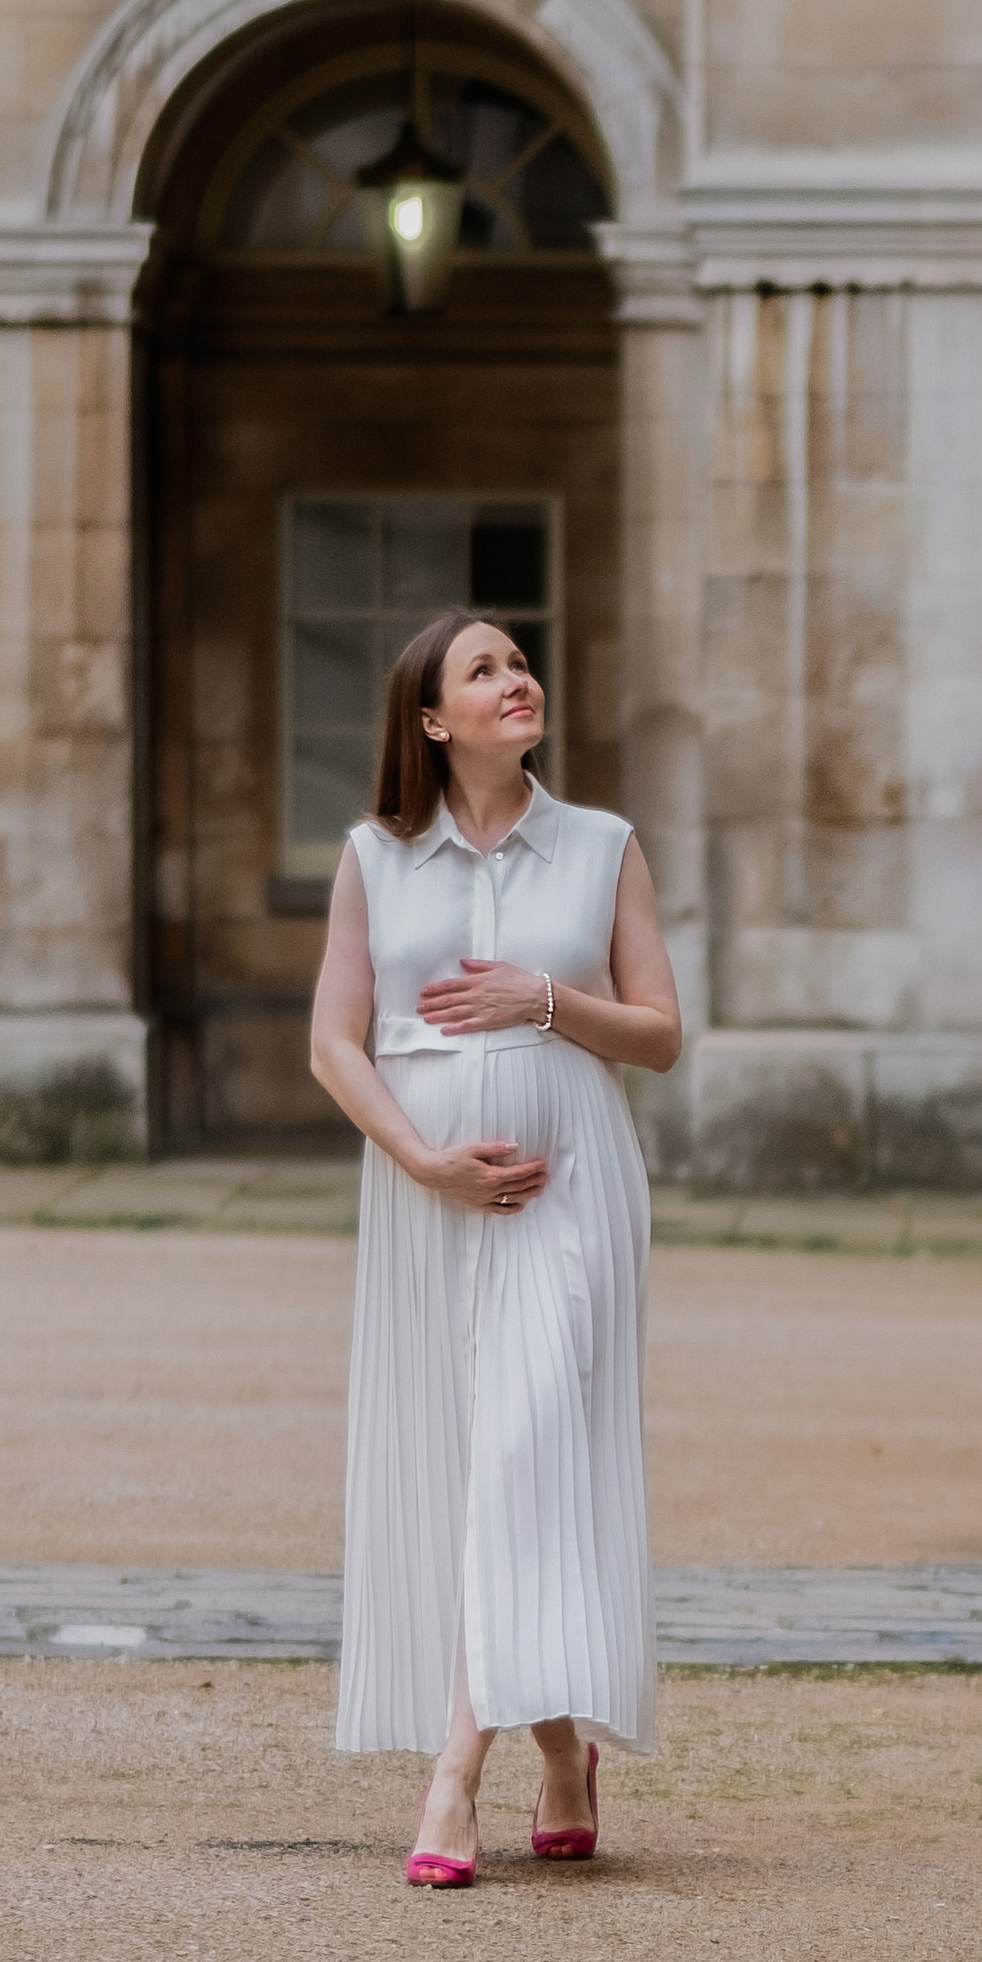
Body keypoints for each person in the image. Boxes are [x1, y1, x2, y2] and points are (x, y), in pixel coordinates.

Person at [308, 609, 682, 1883]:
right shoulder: (375, 855)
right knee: (475, 1470)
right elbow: (335, 1042)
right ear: (432, 718)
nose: (516, 679)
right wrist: (422, 1160)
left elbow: (661, 1033)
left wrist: (546, 1001)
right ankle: (562, 1746)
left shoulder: (601, 847)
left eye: (520, 662)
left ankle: (453, 1774)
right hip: (423, 1199)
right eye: (485, 668)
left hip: (569, 1191)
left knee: (522, 1446)